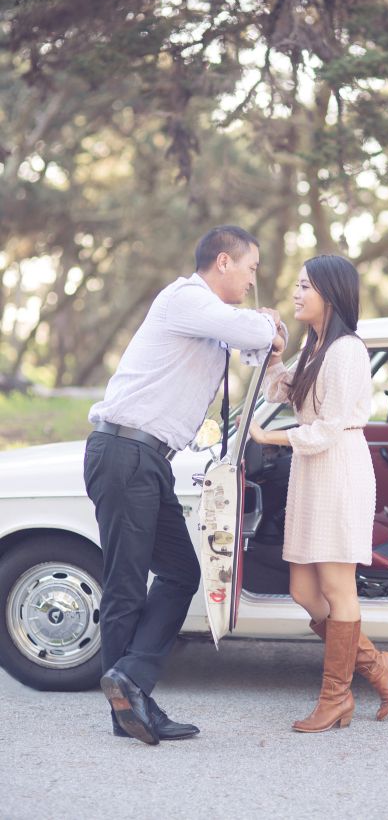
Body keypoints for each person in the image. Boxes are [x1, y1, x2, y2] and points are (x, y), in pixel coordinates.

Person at [84, 225, 285, 745]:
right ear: (223, 262)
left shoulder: (212, 321)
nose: (252, 278)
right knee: (127, 582)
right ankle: (129, 708)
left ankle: (131, 683)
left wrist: (263, 330)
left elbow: (254, 352)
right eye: (250, 267)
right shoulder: (185, 298)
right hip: (124, 451)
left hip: (147, 459)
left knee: (179, 572)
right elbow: (260, 337)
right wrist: (265, 323)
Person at [248, 254, 388, 733]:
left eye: (306, 286)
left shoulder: (346, 351)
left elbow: (327, 429)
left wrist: (267, 438)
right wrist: (276, 353)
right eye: (297, 285)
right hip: (311, 472)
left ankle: (336, 698)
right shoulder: (318, 346)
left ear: (331, 295)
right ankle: (378, 666)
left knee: (338, 590)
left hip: (336, 468)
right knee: (302, 590)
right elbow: (282, 392)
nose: (297, 293)